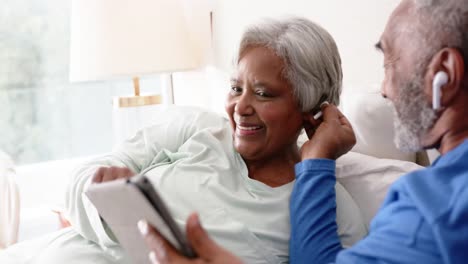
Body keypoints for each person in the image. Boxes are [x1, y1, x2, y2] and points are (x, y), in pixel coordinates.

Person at [0, 17, 365, 264]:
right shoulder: (194, 128)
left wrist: (316, 158)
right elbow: (82, 181)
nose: (241, 107)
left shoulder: (327, 205)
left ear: (312, 108)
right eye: (236, 88)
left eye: (264, 94)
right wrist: (103, 194)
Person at [140, 0, 468, 263]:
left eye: (391, 64)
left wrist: (315, 164)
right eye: (236, 88)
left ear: (445, 74)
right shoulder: (436, 192)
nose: (384, 89)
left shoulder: (437, 210)